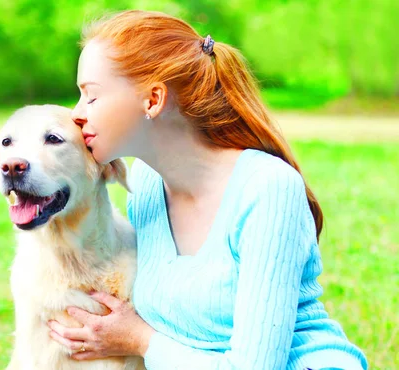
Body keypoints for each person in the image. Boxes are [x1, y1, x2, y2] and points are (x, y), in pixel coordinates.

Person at [46, 10, 367, 370]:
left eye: (90, 96)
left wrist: (138, 339)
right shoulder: (148, 185)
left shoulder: (267, 189)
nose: (77, 114)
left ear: (153, 100)